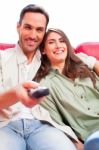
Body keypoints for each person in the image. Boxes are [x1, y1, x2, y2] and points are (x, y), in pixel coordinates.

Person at [0, 4, 98, 150]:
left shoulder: (51, 58)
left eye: (39, 30)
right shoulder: (3, 58)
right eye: (28, 27)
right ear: (18, 27)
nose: (33, 35)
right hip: (6, 125)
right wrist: (16, 93)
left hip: (42, 125)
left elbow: (74, 57)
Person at [32, 28, 99, 150]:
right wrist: (77, 144)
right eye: (51, 42)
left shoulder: (84, 64)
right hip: (92, 135)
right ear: (43, 50)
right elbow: (57, 123)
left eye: (62, 41)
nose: (58, 46)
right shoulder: (44, 84)